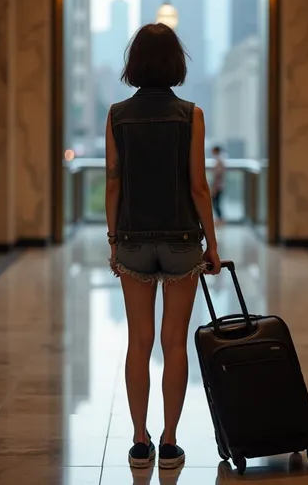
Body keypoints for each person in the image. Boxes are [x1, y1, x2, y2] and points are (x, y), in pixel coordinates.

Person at [105, 23, 221, 470]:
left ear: (134, 63)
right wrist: (212, 244)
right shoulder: (190, 114)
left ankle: (139, 442)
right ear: (176, 62)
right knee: (174, 343)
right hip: (181, 241)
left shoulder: (116, 114)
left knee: (139, 342)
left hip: (133, 239)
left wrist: (114, 242)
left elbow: (113, 182)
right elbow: (198, 186)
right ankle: (170, 442)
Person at [211, 146, 225, 225]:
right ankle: (220, 219)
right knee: (216, 203)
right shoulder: (219, 160)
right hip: (219, 185)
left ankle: (220, 219)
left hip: (218, 186)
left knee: (216, 203)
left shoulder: (219, 161)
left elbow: (218, 176)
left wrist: (214, 188)